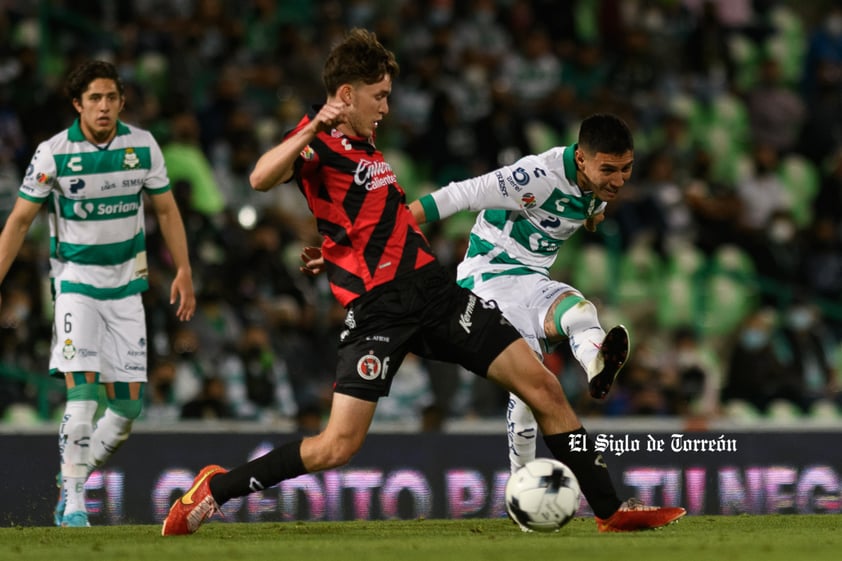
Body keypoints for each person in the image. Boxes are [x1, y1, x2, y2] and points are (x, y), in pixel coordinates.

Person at [161, 28, 684, 536]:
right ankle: (215, 489)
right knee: (337, 446)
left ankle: (611, 510)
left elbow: (379, 220)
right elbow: (259, 177)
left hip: (433, 292)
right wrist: (312, 126)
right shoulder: (319, 143)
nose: (386, 107)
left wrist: (334, 250)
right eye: (379, 96)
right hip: (378, 309)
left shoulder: (369, 148)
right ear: (346, 95)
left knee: (543, 387)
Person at [0, 60, 196, 527]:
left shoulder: (143, 147)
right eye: (94, 98)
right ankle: (72, 503)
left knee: (127, 409)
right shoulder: (53, 154)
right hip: (75, 286)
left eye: (111, 98)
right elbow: (19, 222)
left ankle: (73, 473)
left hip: (127, 288)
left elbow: (166, 211)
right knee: (83, 395)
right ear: (77, 104)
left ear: (122, 102)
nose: (103, 106)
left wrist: (184, 269)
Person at [405, 113, 634, 474]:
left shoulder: (596, 188)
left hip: (531, 279)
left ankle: (596, 367)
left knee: (581, 313)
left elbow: (589, 208)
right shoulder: (536, 177)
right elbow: (459, 194)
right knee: (531, 379)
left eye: (626, 169)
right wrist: (381, 232)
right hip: (487, 277)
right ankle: (521, 481)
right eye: (609, 169)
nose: (619, 180)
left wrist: (593, 217)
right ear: (580, 159)